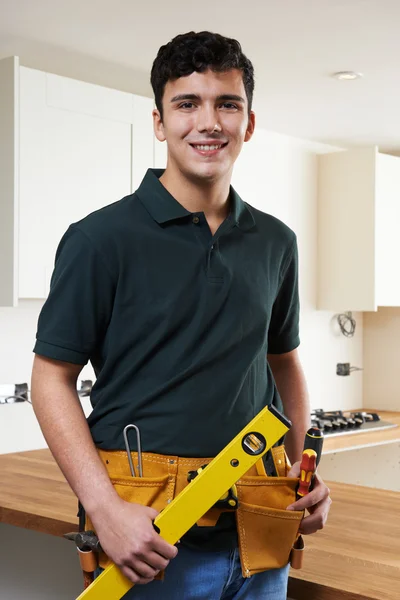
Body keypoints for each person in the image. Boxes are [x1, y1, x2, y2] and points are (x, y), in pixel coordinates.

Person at [31, 30, 331, 600]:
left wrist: (301, 472)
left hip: (260, 527)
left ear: (249, 121)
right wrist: (104, 507)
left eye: (227, 103)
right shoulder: (101, 239)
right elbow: (52, 377)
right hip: (147, 531)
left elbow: (284, 362)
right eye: (187, 103)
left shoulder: (275, 241)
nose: (209, 121)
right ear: (159, 121)